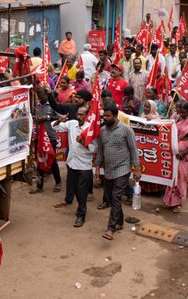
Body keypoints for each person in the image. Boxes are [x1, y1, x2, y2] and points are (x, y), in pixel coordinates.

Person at [96, 102, 140, 241]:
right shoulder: (102, 131)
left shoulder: (126, 130)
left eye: (108, 116)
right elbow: (101, 151)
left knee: (116, 196)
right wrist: (97, 168)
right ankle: (120, 221)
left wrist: (137, 169)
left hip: (123, 168)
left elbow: (133, 150)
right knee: (110, 197)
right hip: (108, 169)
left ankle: (111, 228)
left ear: (115, 115)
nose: (105, 118)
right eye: (104, 116)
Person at [53, 107, 98, 227]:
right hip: (72, 164)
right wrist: (59, 120)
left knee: (82, 192)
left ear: (87, 115)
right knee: (77, 191)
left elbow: (95, 149)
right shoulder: (72, 124)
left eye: (82, 115)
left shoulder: (90, 129)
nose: (79, 117)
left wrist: (84, 143)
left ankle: (81, 215)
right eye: (78, 114)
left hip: (84, 166)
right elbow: (55, 126)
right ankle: (81, 208)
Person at [162, 99, 188, 212]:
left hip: (185, 153)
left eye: (183, 112)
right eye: (180, 112)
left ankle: (178, 202)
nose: (181, 114)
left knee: (180, 175)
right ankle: (170, 199)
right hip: (174, 151)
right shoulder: (175, 117)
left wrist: (185, 151)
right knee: (172, 175)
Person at [32, 87, 61, 194]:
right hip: (39, 137)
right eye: (39, 98)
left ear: (46, 94)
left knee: (52, 161)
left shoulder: (53, 105)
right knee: (40, 161)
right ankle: (39, 186)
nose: (40, 99)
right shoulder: (36, 105)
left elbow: (59, 117)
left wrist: (47, 117)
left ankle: (58, 182)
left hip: (51, 137)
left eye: (42, 97)